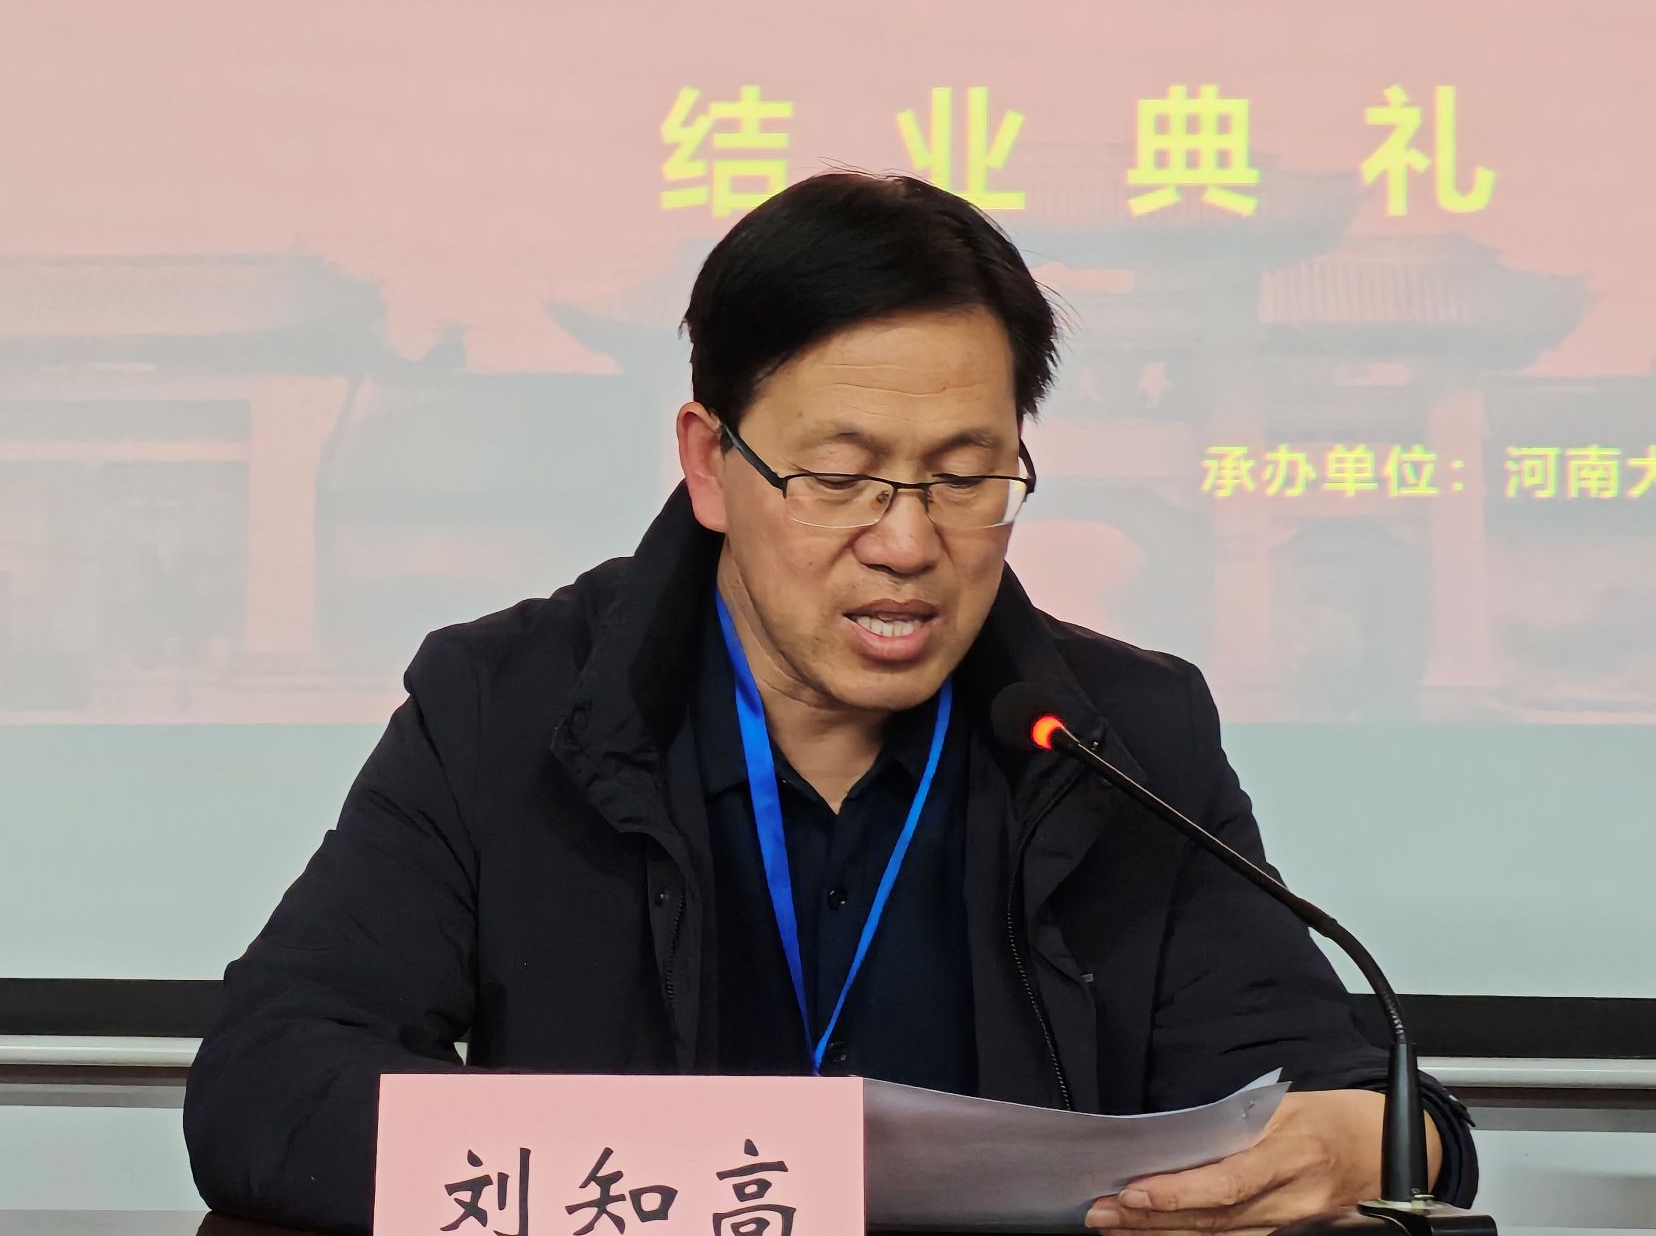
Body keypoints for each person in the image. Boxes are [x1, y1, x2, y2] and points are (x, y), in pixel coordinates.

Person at [184, 172, 1477, 1234]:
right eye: (841, 477)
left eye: (965, 477)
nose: (907, 543)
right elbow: (269, 1079)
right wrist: (680, 1177)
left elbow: (1335, 1086)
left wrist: (1377, 1136)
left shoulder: (1118, 737)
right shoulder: (506, 707)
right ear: (711, 462)